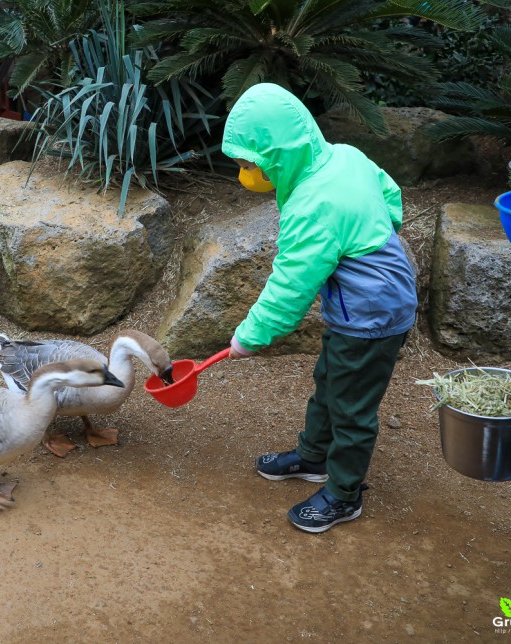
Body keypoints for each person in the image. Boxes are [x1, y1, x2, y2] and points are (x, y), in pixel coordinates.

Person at [222, 83, 418, 534]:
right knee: (330, 379)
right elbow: (389, 190)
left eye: (251, 164)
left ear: (279, 155)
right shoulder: (343, 156)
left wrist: (250, 336)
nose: (246, 174)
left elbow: (290, 286)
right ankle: (313, 457)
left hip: (372, 315)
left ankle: (344, 495)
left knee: (352, 407)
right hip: (360, 307)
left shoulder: (314, 205)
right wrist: (380, 229)